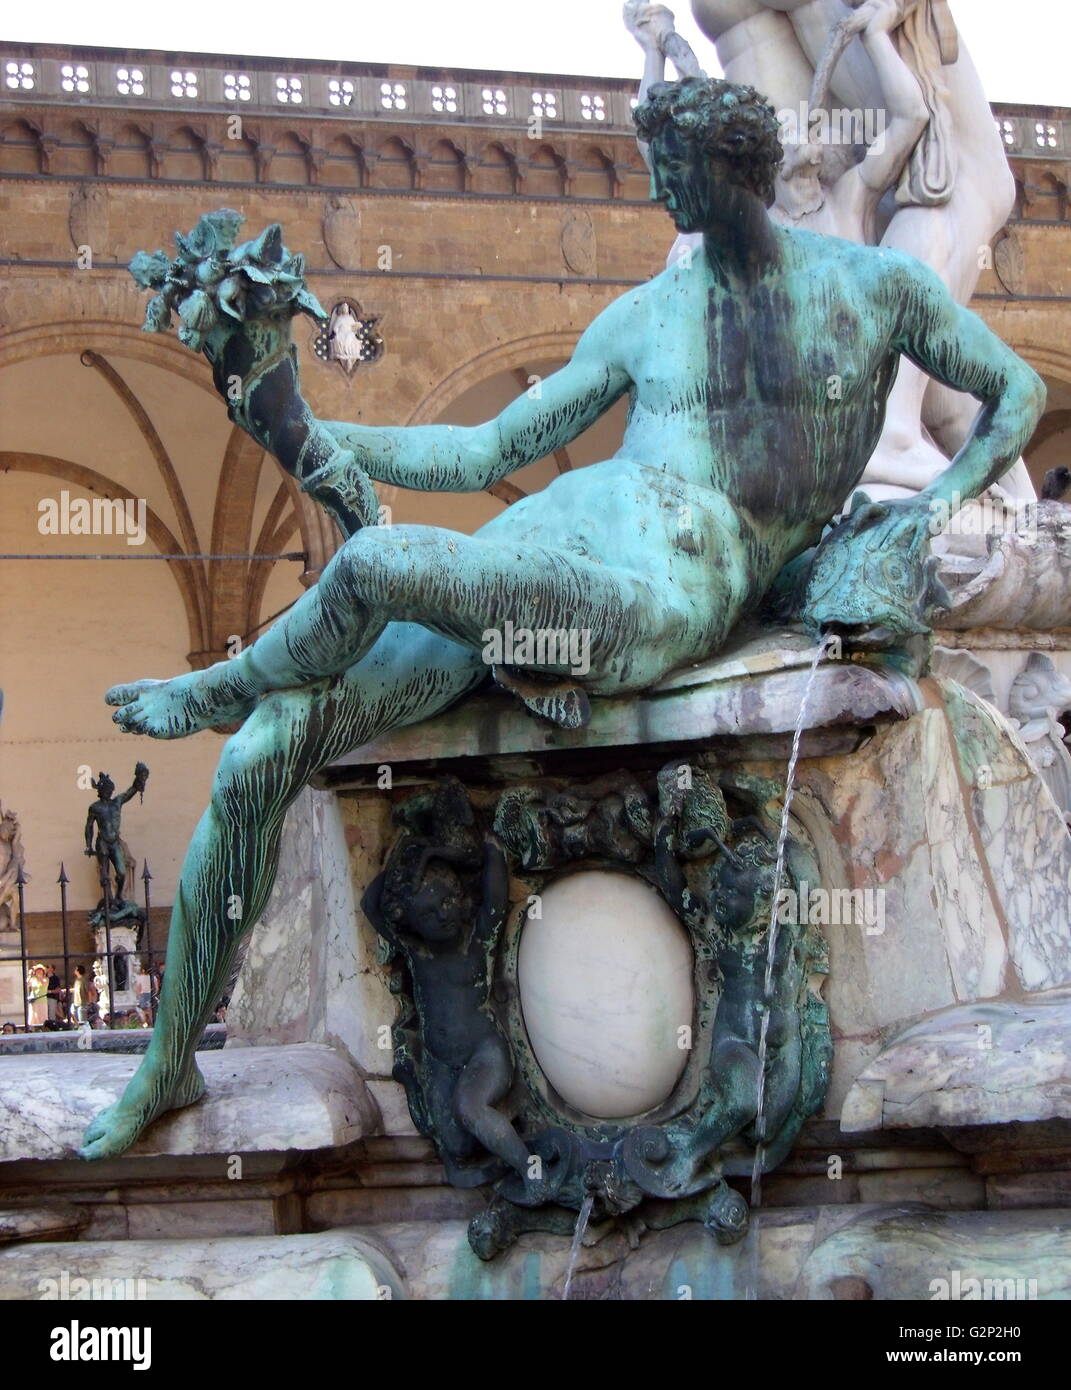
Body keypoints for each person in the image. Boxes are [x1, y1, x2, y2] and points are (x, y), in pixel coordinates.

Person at [83, 76, 1043, 1160]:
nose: (648, 184)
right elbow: (485, 452)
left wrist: (930, 513)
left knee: (381, 563)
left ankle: (217, 683)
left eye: (665, 167)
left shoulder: (874, 291)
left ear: (723, 166)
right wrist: (298, 424)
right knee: (265, 750)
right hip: (539, 549)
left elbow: (1015, 392)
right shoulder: (644, 316)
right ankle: (166, 1064)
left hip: (655, 592)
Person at [26, 965, 48, 1030]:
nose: (39, 971)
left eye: (40, 970)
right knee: (33, 1017)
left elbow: (43, 983)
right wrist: (30, 975)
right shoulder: (33, 979)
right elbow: (27, 984)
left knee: (42, 1017)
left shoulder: (46, 979)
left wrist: (39, 976)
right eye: (37, 970)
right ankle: (32, 1030)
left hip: (42, 1001)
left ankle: (43, 1029)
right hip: (34, 1001)